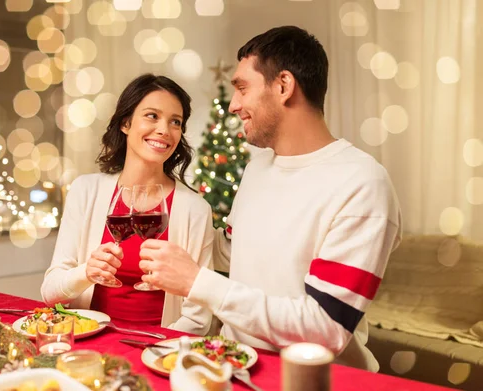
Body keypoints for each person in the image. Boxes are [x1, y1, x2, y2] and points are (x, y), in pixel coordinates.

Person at [138, 26, 402, 371]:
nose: (233, 105)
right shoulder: (259, 165)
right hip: (234, 366)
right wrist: (173, 226)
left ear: (283, 86)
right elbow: (233, 251)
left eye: (242, 88)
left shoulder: (362, 184)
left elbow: (325, 329)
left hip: (315, 378)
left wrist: (197, 282)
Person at [41, 74, 214, 335]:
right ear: (125, 123)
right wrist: (86, 272)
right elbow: (50, 293)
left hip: (157, 350)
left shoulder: (195, 210)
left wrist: (151, 348)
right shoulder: (85, 190)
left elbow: (198, 319)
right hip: (90, 341)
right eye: (152, 116)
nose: (164, 130)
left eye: (175, 122)